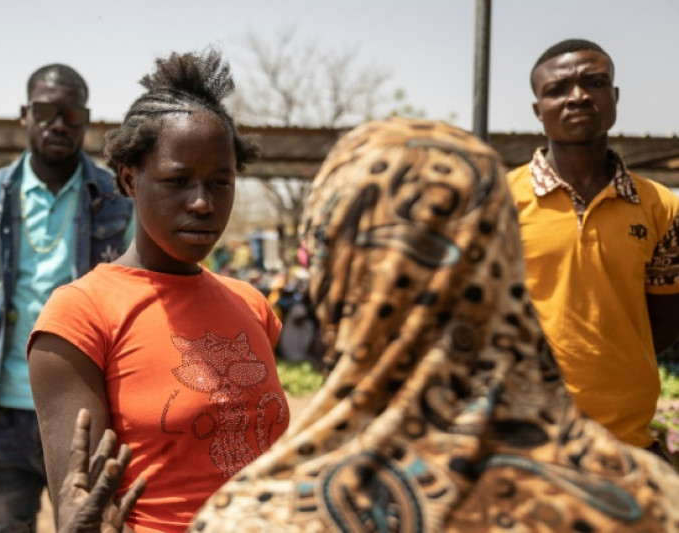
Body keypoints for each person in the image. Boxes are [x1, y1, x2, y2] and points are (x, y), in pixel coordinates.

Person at [73, 117, 679, 531]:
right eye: (179, 182)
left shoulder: (273, 513)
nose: (202, 202)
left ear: (338, 281)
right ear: (503, 258)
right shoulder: (645, 497)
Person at [27, 49, 290, 533]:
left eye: (220, 183)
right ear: (130, 179)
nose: (202, 202)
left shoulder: (251, 305)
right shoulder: (81, 316)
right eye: (177, 180)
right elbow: (78, 504)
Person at [0, 63, 133, 532]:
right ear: (24, 115)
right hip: (1, 413)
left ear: (86, 120)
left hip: (84, 413)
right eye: (46, 110)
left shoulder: (117, 201)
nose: (58, 122)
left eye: (71, 113)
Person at [507, 39, 679, 450]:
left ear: (614, 97)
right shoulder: (496, 202)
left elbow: (666, 318)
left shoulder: (660, 206)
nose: (578, 96)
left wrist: (613, 357)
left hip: (625, 442)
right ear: (538, 110)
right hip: (523, 442)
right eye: (558, 89)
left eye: (594, 82)